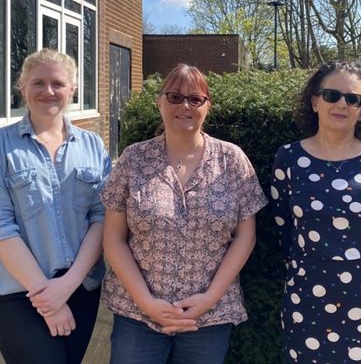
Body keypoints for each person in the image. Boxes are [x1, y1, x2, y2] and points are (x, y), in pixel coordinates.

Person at [101, 63, 267, 364]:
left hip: (209, 315)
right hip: (137, 314)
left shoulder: (232, 160)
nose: (185, 105)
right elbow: (113, 238)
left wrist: (209, 299)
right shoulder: (133, 159)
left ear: (208, 106)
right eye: (175, 96)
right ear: (159, 102)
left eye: (195, 98)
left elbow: (246, 236)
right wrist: (146, 302)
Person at [0, 49, 110, 364]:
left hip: (81, 288)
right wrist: (49, 300)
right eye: (38, 83)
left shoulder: (92, 146)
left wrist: (68, 285)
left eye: (58, 83)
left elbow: (101, 218)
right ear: (22, 88)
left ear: (72, 89)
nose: (48, 91)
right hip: (20, 294)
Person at [271, 60, 361, 363]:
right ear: (315, 101)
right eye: (332, 95)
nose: (342, 104)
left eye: (353, 98)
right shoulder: (289, 157)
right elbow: (283, 226)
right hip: (306, 293)